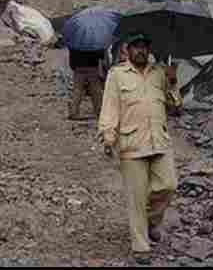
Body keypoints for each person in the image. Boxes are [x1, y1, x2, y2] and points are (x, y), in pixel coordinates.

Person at [98, 33, 181, 265]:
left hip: (159, 141)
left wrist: (173, 82)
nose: (141, 51)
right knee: (136, 198)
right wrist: (108, 135)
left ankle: (152, 221)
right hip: (131, 144)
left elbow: (175, 108)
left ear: (149, 49)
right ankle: (140, 246)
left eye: (144, 46)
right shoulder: (117, 75)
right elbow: (110, 107)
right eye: (136, 47)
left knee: (168, 185)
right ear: (127, 50)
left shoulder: (159, 73)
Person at [68, 47, 105, 121]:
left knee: (77, 90)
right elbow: (101, 55)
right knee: (96, 90)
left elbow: (71, 57)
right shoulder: (94, 43)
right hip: (93, 67)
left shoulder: (76, 43)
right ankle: (99, 111)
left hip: (78, 67)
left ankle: (73, 112)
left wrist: (73, 67)